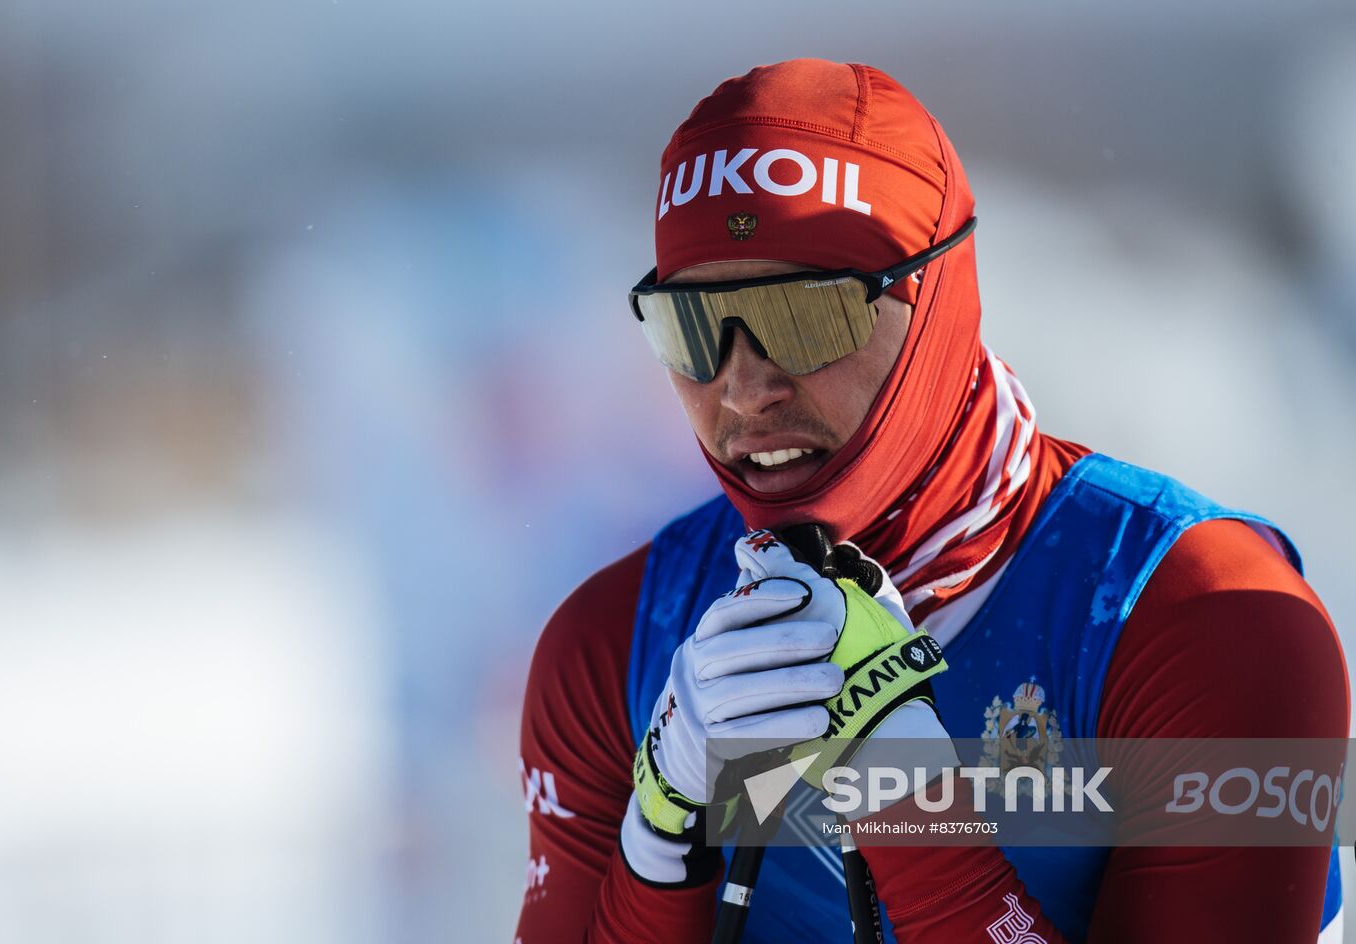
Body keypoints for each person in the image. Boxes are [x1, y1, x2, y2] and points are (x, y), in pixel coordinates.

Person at [515, 59, 1348, 942]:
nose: (744, 388)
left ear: (940, 299)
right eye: (690, 328)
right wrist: (660, 846)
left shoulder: (1204, 620)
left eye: (807, 316)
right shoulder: (612, 649)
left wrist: (916, 817)